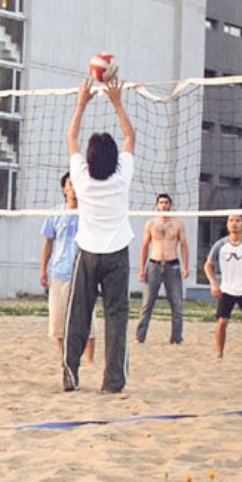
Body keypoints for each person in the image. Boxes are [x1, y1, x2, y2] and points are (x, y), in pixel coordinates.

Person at [62, 76, 135, 394]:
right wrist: (117, 102)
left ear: (90, 158)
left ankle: (70, 373)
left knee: (78, 313)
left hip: (89, 252)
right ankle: (113, 381)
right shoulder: (121, 177)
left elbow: (71, 137)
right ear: (114, 158)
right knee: (116, 317)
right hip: (117, 252)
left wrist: (82, 103)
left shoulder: (80, 177)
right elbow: (130, 136)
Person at [41, 172, 97, 366]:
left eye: (76, 185)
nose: (73, 188)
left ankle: (89, 361)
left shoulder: (88, 212)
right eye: (70, 185)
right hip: (59, 272)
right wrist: (43, 270)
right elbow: (48, 242)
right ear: (64, 189)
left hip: (83, 271)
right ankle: (67, 357)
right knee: (57, 321)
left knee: (88, 319)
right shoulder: (56, 212)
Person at [204, 213, 242, 359]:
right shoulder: (220, 244)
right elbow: (208, 265)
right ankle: (219, 352)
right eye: (231, 220)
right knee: (222, 321)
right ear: (227, 224)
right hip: (227, 289)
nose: (234, 223)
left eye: (237, 221)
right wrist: (213, 284)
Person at [136, 192, 189, 345]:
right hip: (154, 265)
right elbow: (144, 247)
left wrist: (185, 266)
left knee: (177, 305)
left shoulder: (178, 224)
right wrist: (141, 269)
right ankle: (140, 337)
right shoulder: (151, 224)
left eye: (166, 203)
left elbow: (184, 246)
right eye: (161, 203)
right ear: (157, 206)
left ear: (170, 205)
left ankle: (176, 338)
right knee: (147, 304)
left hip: (173, 265)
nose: (164, 205)